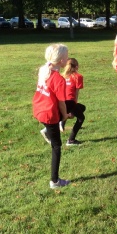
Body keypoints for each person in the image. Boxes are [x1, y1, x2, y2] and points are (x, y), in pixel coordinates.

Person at [33, 44, 70, 189]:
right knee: (56, 146)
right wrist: (65, 116)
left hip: (39, 109)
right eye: (66, 56)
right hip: (49, 114)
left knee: (74, 107)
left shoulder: (44, 70)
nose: (68, 58)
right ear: (61, 60)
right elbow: (61, 103)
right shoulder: (58, 79)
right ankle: (55, 181)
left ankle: (47, 130)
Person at [61, 58, 86, 146]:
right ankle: (71, 140)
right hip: (70, 101)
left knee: (82, 107)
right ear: (77, 66)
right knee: (81, 118)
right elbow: (76, 93)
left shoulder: (63, 76)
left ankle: (62, 121)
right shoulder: (78, 76)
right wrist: (74, 104)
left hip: (62, 101)